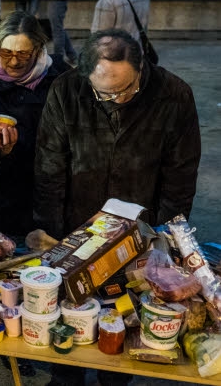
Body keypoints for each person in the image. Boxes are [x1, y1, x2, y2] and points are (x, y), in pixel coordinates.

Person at [31, 29, 201, 386]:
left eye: (127, 89)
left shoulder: (174, 95)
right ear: (86, 74)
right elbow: (50, 164)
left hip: (140, 231)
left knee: (123, 319)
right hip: (77, 224)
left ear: (141, 70)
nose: (118, 99)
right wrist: (50, 228)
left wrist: (164, 237)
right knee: (71, 315)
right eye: (105, 93)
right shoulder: (66, 90)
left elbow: (180, 175)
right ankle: (65, 376)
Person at [0, 11, 61, 242]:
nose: (13, 61)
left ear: (39, 49)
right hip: (8, 199)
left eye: (23, 53)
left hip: (54, 194)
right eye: (6, 52)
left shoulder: (61, 80)